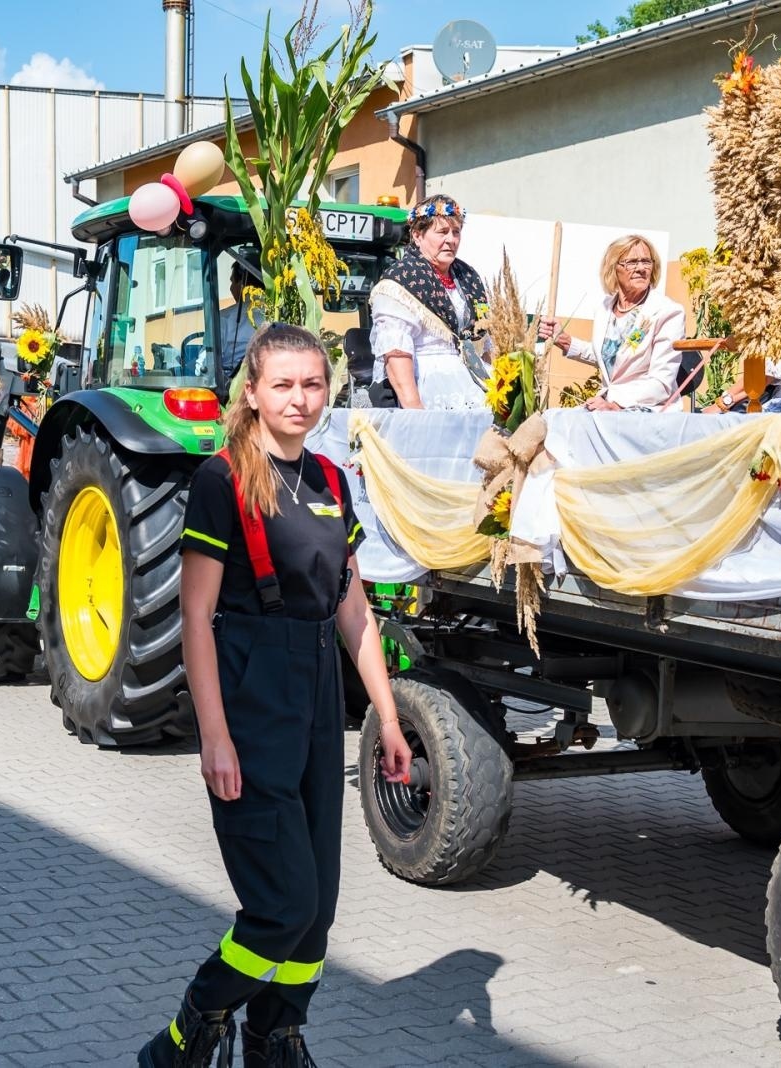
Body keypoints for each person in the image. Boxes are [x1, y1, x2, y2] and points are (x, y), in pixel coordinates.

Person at [138, 324, 411, 1068]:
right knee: (282, 904)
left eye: (313, 384)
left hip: (320, 690)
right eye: (283, 384)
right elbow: (195, 616)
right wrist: (214, 737)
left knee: (316, 910)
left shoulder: (330, 479)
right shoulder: (222, 479)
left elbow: (354, 610)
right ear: (252, 392)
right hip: (253, 687)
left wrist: (387, 718)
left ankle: (275, 1036)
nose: (300, 398)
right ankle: (188, 1031)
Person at [368, 194, 492, 409]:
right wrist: (416, 413)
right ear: (417, 235)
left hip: (470, 381)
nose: (451, 240)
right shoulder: (401, 280)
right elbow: (396, 352)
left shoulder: (467, 277)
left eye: (456, 232)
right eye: (442, 232)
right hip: (425, 384)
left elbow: (483, 343)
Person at [539, 234, 687, 412]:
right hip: (608, 406)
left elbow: (661, 382)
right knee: (553, 419)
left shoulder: (668, 312)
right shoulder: (605, 308)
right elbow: (613, 357)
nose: (641, 268)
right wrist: (564, 340)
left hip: (649, 411)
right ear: (613, 268)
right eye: (632, 262)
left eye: (647, 261)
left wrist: (615, 404)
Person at [219, 260, 256, 384]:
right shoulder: (279, 313)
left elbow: (203, 368)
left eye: (232, 281)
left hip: (232, 393)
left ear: (242, 283)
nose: (230, 288)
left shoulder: (225, 317)